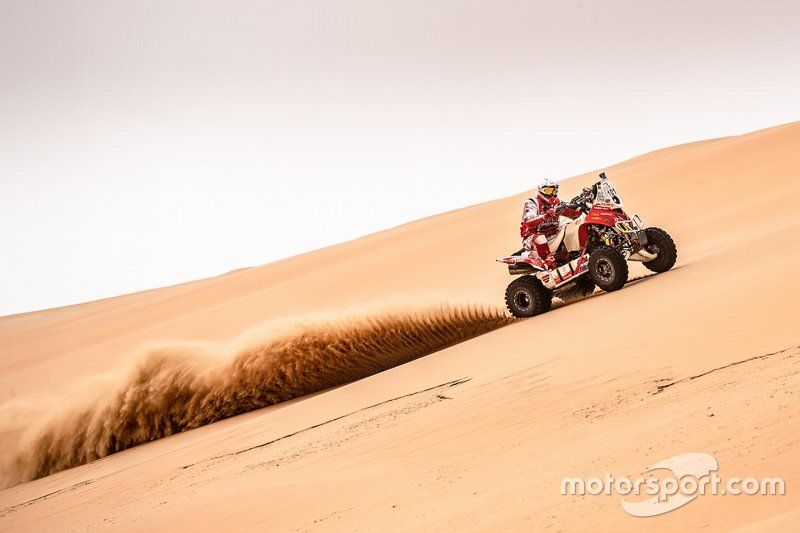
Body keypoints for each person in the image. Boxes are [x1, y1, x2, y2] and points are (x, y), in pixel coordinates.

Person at [519, 178, 580, 269]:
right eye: (549, 190)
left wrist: (580, 209)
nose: (552, 194)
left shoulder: (556, 202)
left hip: (552, 235)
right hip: (532, 238)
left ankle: (571, 255)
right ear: (542, 191)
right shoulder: (532, 203)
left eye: (554, 191)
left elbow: (572, 214)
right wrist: (544, 216)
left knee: (571, 226)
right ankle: (548, 262)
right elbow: (528, 221)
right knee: (540, 238)